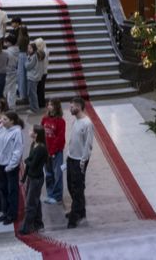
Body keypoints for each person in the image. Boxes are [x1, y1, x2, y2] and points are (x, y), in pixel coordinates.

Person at [65, 96, 94, 228]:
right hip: (71, 158)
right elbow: (73, 140)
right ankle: (81, 211)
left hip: (79, 161)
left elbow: (88, 144)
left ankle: (74, 217)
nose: (70, 109)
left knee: (77, 188)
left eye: (72, 107)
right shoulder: (76, 121)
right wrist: (68, 154)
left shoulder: (87, 123)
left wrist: (83, 161)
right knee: (71, 186)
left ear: (78, 107)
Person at [0, 111, 24, 226]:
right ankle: (5, 211)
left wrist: (11, 165)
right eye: (2, 119)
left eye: (5, 119)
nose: (2, 121)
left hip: (10, 166)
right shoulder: (1, 127)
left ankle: (12, 214)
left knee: (12, 191)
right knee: (2, 189)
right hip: (0, 163)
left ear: (12, 121)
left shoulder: (17, 132)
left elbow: (17, 151)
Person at [19, 125, 49, 235]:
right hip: (31, 177)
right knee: (35, 200)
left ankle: (26, 227)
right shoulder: (33, 144)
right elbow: (29, 163)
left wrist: (26, 161)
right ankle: (38, 223)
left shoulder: (41, 148)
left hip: (37, 179)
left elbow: (32, 164)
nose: (29, 131)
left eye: (31, 130)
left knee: (30, 203)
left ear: (35, 134)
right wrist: (24, 178)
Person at [42, 99, 66, 205]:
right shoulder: (45, 118)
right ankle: (50, 193)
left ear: (56, 106)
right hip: (46, 151)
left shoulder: (60, 121)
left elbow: (60, 138)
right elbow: (41, 133)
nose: (49, 106)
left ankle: (57, 196)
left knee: (57, 174)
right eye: (48, 104)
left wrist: (52, 151)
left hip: (56, 152)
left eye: (51, 105)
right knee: (48, 173)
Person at [10, 16, 30, 102]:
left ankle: (21, 93)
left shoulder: (21, 37)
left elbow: (18, 44)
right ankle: (23, 92)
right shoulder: (26, 37)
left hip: (20, 54)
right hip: (23, 54)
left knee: (20, 75)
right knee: (22, 75)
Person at [25, 42, 42, 114]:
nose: (28, 49)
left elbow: (27, 66)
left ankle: (34, 109)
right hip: (35, 76)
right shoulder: (35, 55)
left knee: (32, 94)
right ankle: (33, 108)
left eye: (30, 48)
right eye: (28, 48)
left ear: (34, 49)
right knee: (32, 93)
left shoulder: (33, 57)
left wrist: (26, 59)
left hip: (32, 77)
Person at [3, 35, 20, 109]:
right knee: (12, 90)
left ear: (9, 43)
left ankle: (4, 106)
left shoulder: (6, 52)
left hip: (7, 72)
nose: (4, 43)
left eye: (6, 41)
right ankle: (12, 106)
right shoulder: (18, 50)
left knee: (4, 90)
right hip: (14, 71)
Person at [35, 38, 48, 107]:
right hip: (44, 72)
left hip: (41, 72)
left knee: (39, 89)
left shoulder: (42, 52)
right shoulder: (46, 50)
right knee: (41, 88)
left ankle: (40, 103)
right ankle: (42, 102)